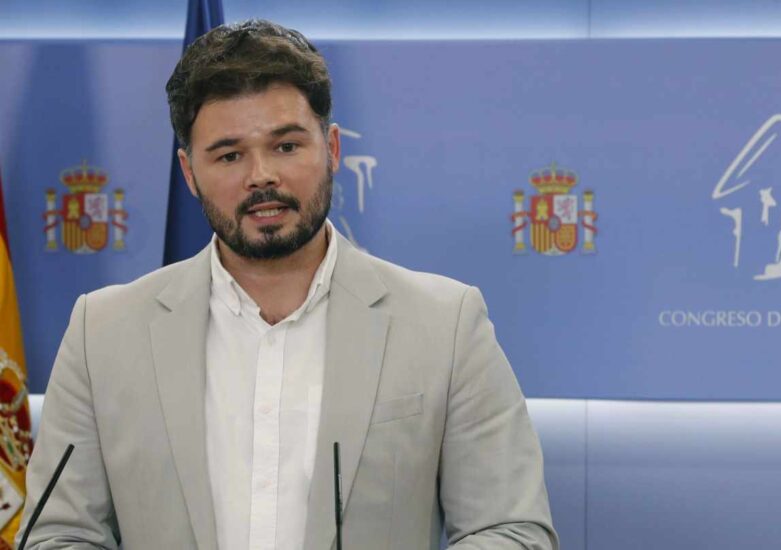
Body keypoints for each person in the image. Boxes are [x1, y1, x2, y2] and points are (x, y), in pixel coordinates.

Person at [17, 19, 557, 550]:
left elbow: (511, 530)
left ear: (333, 149)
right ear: (188, 172)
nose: (261, 176)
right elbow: (59, 533)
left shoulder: (445, 324)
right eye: (229, 155)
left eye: (286, 146)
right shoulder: (103, 332)